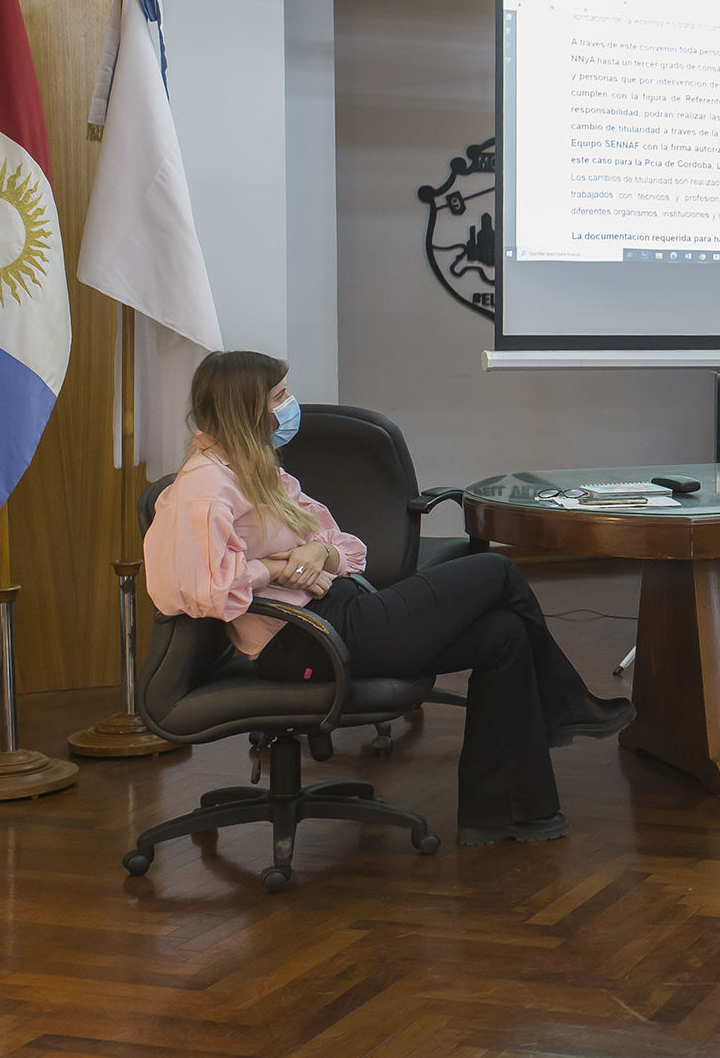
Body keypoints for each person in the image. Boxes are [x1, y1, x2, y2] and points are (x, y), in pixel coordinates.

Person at [144, 351, 633, 846]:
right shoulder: (204, 487)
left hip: (338, 613)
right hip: (305, 641)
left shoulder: (258, 472)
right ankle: (566, 705)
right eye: (279, 396)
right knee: (497, 570)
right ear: (247, 409)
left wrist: (319, 552)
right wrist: (274, 568)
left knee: (503, 634)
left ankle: (502, 813)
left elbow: (349, 548)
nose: (290, 405)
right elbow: (193, 587)